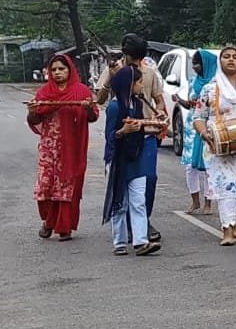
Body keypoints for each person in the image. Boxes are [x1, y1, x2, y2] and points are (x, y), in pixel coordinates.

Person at [27, 53, 99, 241]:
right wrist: (33, 112)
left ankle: (64, 227)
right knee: (47, 186)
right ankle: (49, 222)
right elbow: (35, 118)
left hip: (71, 149)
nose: (58, 73)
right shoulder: (44, 93)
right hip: (49, 148)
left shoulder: (82, 91)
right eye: (54, 70)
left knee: (66, 187)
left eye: (62, 69)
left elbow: (93, 116)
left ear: (70, 70)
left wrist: (87, 108)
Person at [193, 45, 236, 246]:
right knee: (227, 185)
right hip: (219, 147)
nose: (231, 60)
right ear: (219, 62)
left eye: (235, 57)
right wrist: (205, 134)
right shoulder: (210, 89)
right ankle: (227, 229)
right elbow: (198, 117)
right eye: (226, 57)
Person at [102, 66, 161, 256]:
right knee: (120, 202)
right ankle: (119, 242)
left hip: (135, 156)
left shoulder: (136, 105)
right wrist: (123, 132)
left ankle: (141, 241)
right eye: (138, 82)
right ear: (129, 84)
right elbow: (110, 136)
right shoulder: (114, 107)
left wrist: (157, 126)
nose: (141, 86)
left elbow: (140, 130)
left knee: (138, 201)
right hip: (118, 160)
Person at [120, 33, 167, 243]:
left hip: (147, 134)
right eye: (133, 58)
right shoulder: (116, 71)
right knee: (127, 181)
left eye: (140, 58)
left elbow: (159, 101)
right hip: (124, 135)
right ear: (126, 55)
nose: (137, 63)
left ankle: (143, 221)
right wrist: (111, 79)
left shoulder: (149, 74)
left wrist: (159, 112)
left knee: (149, 179)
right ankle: (130, 225)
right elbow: (101, 99)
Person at [176, 49, 217, 215]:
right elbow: (190, 104)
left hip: (209, 126)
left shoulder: (215, 84)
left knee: (209, 166)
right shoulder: (194, 82)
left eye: (197, 63)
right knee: (190, 167)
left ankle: (208, 202)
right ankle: (195, 201)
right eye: (193, 63)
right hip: (192, 128)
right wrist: (180, 100)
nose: (194, 67)